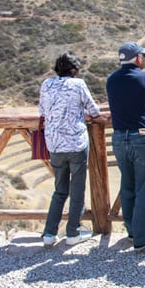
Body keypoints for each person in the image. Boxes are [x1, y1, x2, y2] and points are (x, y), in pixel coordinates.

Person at [106, 41, 145, 252]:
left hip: (118, 138)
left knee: (127, 186)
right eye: (143, 55)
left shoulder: (111, 80)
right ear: (138, 58)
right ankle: (141, 238)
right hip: (143, 137)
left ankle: (132, 231)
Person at [39, 52, 104, 247]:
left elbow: (42, 112)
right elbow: (94, 111)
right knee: (77, 189)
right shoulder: (78, 84)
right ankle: (73, 232)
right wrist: (79, 112)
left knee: (59, 189)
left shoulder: (46, 85)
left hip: (54, 144)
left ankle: (49, 234)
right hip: (75, 143)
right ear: (74, 70)